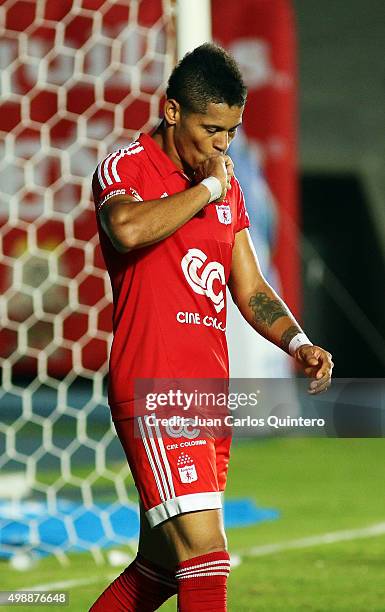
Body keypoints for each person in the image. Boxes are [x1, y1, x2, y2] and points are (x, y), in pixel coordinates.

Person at [90, 43, 333, 612]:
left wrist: (298, 341)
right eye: (212, 128)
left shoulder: (226, 186)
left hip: (207, 394)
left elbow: (249, 288)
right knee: (207, 555)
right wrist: (204, 191)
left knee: (162, 567)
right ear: (173, 112)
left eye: (233, 129)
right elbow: (124, 229)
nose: (224, 143)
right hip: (155, 385)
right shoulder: (128, 168)